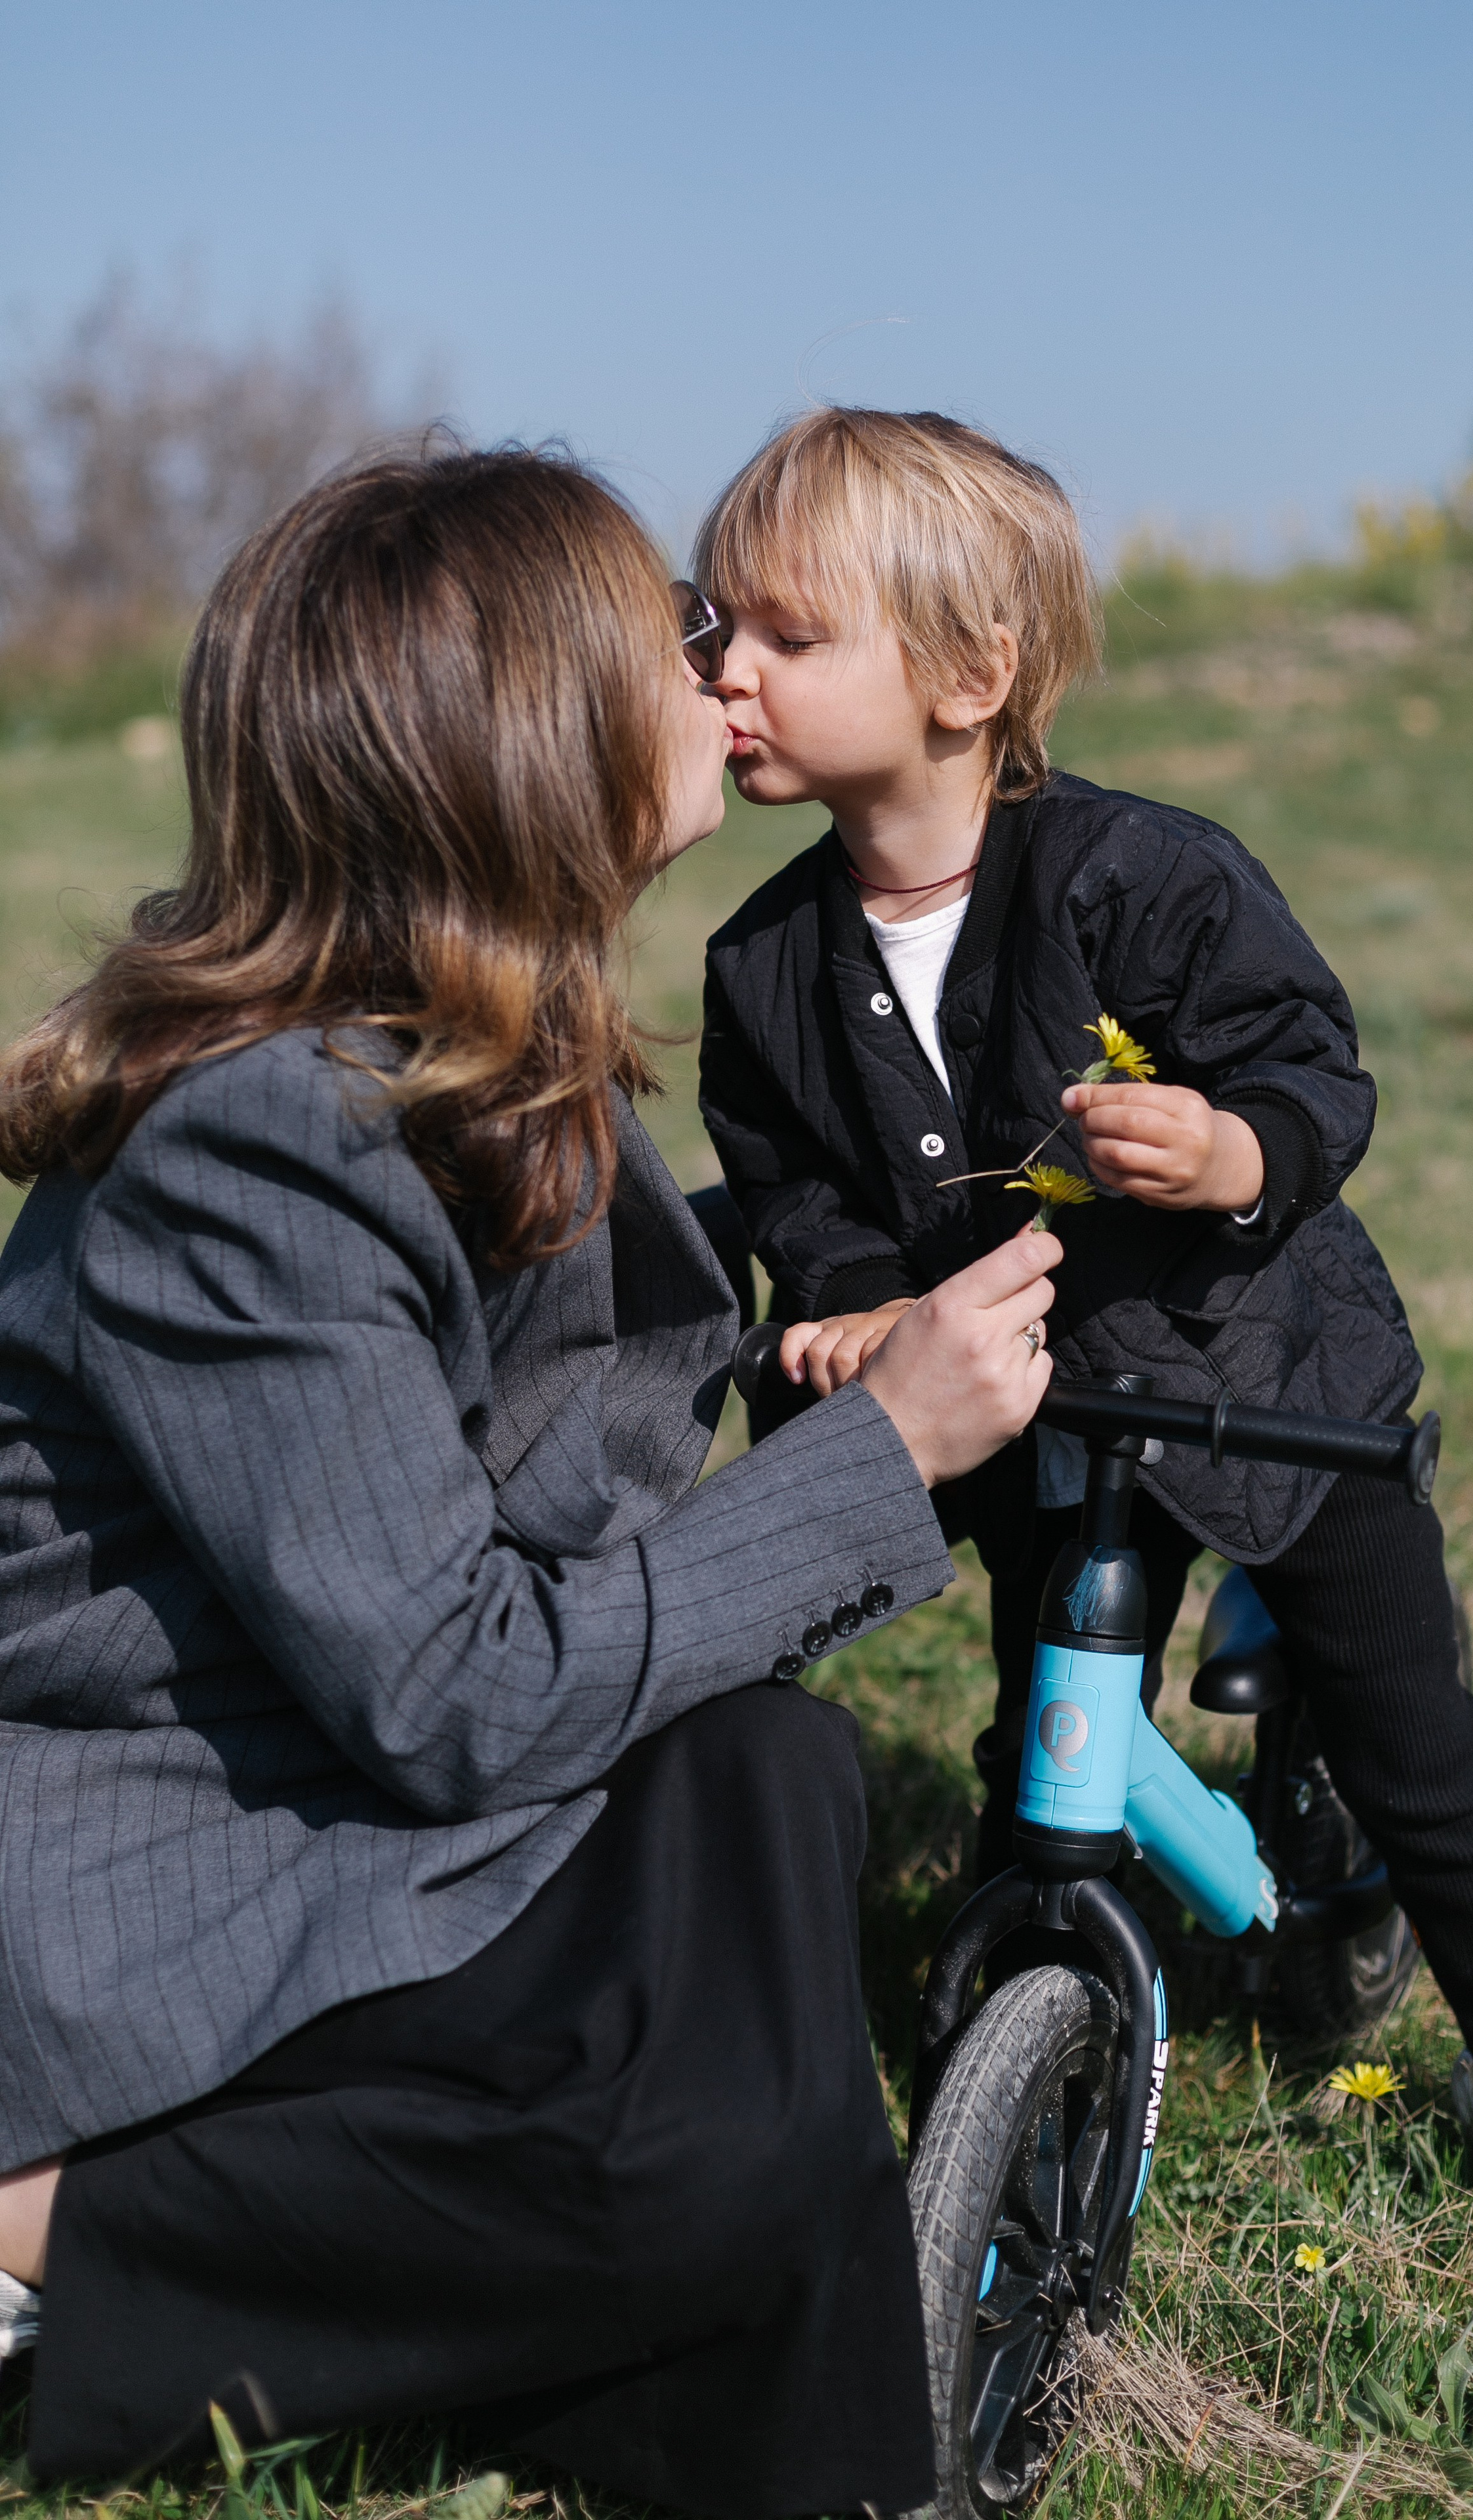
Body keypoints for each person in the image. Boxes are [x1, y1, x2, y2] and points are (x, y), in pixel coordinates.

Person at [0, 445, 1066, 2502]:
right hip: (175, 1837)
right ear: (530, 740)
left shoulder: (471, 1032)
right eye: (678, 638)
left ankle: (733, 2413)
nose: (721, 680)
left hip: (335, 1750)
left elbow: (525, 1451)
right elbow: (456, 1697)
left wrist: (817, 1329)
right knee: (711, 2148)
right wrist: (880, 1450)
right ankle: (56, 2231)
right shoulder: (262, 1142)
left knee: (778, 1777)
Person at [694, 406, 1473, 2321]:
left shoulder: (1140, 880)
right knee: (1039, 1742)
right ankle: (1020, 2043)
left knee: (1420, 1746)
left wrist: (1235, 1151)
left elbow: (1315, 1066)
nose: (728, 667)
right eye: (722, 627)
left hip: (1265, 1380)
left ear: (971, 677)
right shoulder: (761, 966)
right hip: (1047, 1424)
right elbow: (794, 1185)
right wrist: (840, 1296)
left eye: (788, 635)